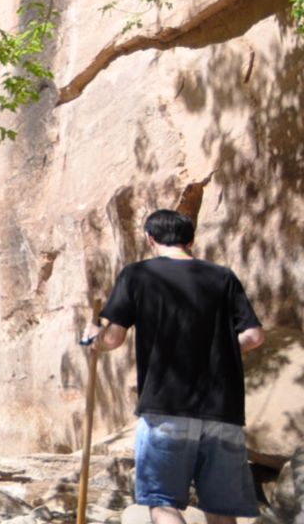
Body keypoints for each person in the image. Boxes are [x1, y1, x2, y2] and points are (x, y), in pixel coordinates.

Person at [83, 209, 266, 524]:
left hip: (167, 407)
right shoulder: (223, 277)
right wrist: (221, 348)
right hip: (223, 408)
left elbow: (113, 339)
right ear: (191, 240)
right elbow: (254, 335)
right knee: (221, 510)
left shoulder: (138, 275)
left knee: (163, 504)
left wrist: (92, 340)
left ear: (150, 238)